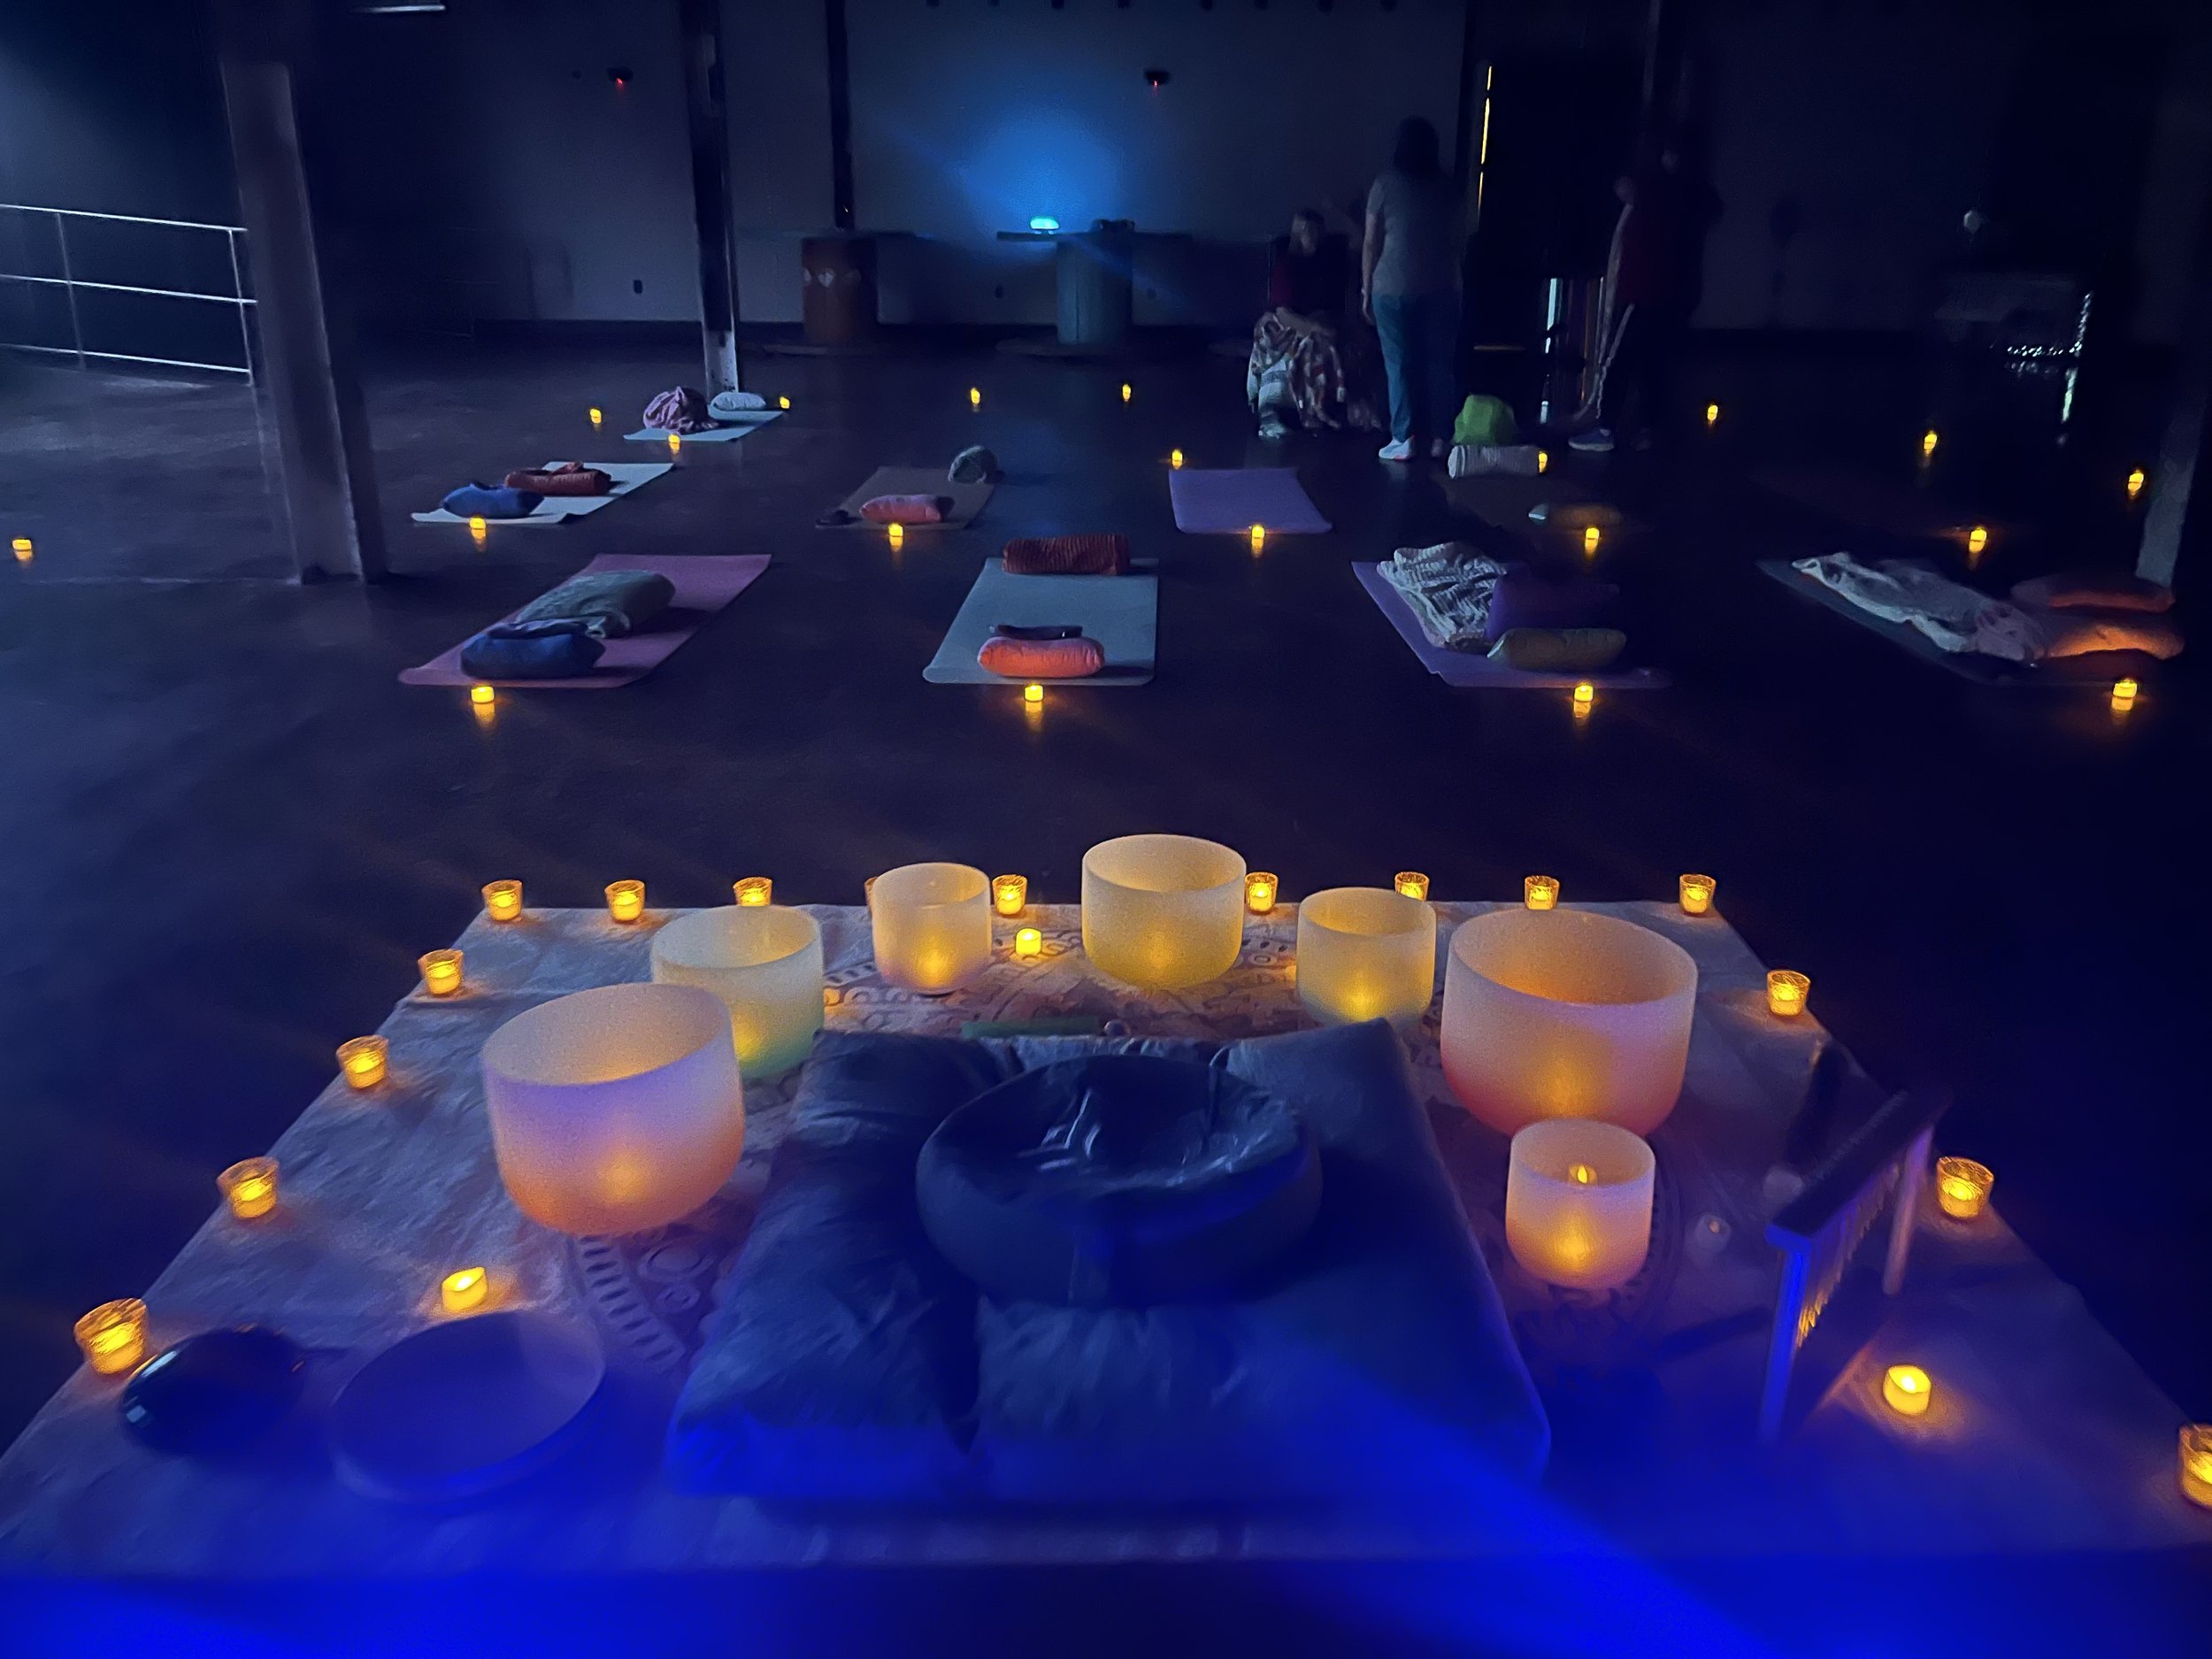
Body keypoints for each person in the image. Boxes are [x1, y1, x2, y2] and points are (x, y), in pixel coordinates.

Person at [1573, 137, 1720, 453]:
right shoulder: (1691, 196)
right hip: (1675, 294)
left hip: (1643, 291)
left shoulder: (1658, 195)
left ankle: (1607, 427)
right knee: (1656, 364)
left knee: (1621, 359)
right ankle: (1649, 430)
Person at [1363, 117, 1462, 462]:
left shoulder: (1385, 185)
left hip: (1392, 284)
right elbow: (1455, 239)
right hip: (1441, 284)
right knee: (1439, 363)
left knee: (1398, 362)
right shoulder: (1447, 187)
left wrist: (1365, 289)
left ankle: (1403, 436)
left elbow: (1371, 242)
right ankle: (1440, 438)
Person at [1247, 209, 1382, 439]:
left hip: (1328, 320)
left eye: (1318, 230)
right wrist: (1314, 328)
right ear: (1297, 235)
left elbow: (1362, 242)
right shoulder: (1286, 266)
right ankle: (1293, 411)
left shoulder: (1332, 261)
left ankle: (1355, 410)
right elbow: (1283, 312)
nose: (1314, 236)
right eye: (1308, 231)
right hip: (1295, 323)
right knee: (1310, 347)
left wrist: (1340, 209)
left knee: (1358, 343)